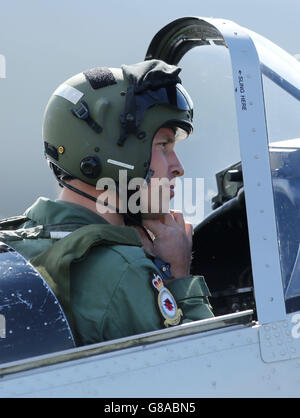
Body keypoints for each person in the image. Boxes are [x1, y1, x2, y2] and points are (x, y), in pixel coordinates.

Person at [0, 60, 213, 346]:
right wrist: (178, 276)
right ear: (115, 152)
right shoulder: (122, 270)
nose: (177, 167)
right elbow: (204, 370)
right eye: (163, 145)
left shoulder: (16, 242)